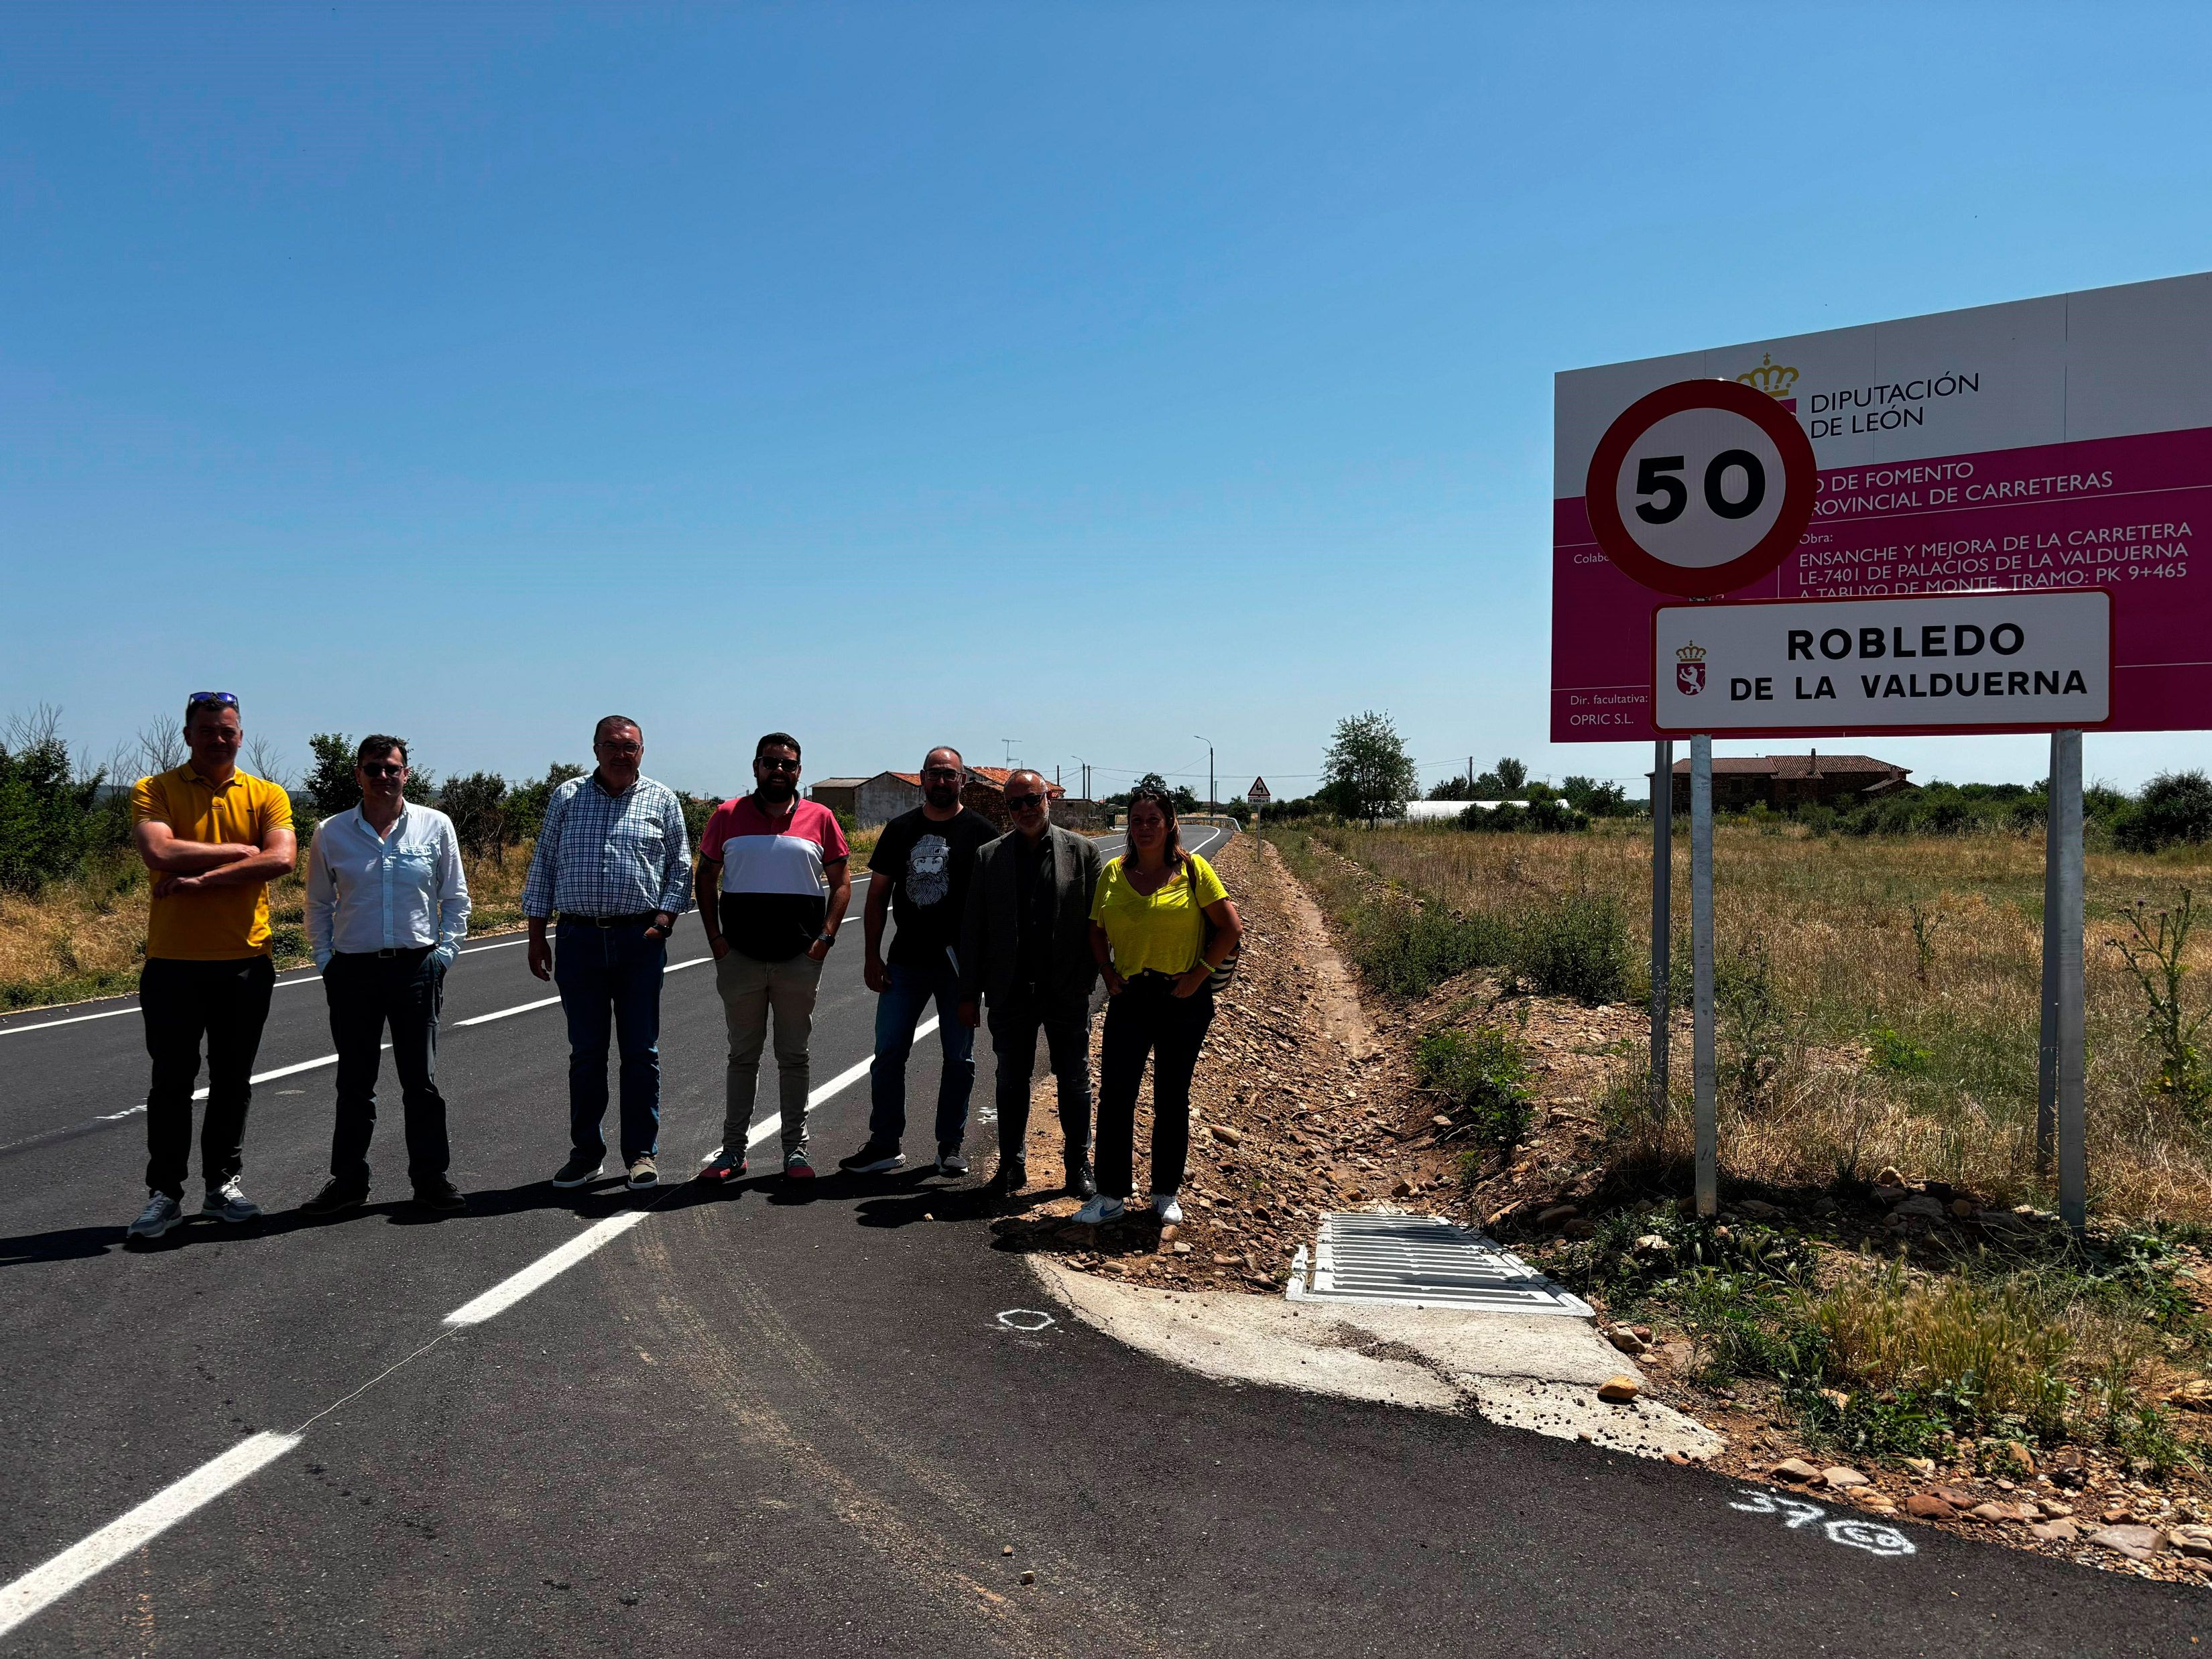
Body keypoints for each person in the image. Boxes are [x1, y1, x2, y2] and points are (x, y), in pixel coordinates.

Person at [125, 692, 299, 1240]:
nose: (218, 739)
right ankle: (165, 1194)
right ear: (188, 736)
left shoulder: (267, 794)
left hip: (245, 960)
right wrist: (241, 852)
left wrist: (202, 879)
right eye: (207, 730)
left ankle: (222, 1185)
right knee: (171, 1083)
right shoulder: (154, 789)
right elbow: (160, 852)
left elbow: (283, 857)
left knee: (232, 1081)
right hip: (173, 962)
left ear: (240, 736)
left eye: (227, 731)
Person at [300, 736, 471, 1216]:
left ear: (406, 774)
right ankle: (349, 1181)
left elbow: (455, 896)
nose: (382, 776)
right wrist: (326, 961)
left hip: (417, 967)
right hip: (352, 970)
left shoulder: (435, 825)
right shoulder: (331, 832)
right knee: (355, 1082)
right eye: (372, 768)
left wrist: (446, 953)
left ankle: (431, 1179)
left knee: (422, 1082)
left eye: (391, 768)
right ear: (358, 775)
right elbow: (317, 903)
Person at [522, 716, 692, 1191]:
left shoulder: (662, 799)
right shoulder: (567, 796)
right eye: (612, 746)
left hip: (640, 939)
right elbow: (544, 864)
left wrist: (664, 921)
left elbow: (680, 866)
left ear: (642, 751)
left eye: (630, 747)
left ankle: (641, 1154)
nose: (621, 754)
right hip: (578, 939)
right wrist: (536, 936)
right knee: (587, 1053)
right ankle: (586, 1154)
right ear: (595, 749)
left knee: (641, 1052)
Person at [1076, 786, 1242, 1226]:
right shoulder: (1113, 873)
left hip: (1181, 999)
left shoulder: (1193, 869)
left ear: (1170, 824)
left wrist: (1198, 975)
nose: (1145, 827)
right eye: (1137, 820)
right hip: (1130, 998)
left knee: (1172, 1096)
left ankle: (1164, 1192)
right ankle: (1110, 1195)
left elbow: (1230, 928)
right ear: (1128, 826)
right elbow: (1095, 929)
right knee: (1116, 1096)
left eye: (1154, 819)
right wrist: (1106, 972)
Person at [694, 733, 852, 1183]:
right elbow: (705, 878)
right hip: (740, 958)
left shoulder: (821, 817)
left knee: (794, 1057)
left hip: (798, 959)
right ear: (756, 767)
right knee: (743, 1056)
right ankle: (732, 1151)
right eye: (770, 762)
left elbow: (842, 883)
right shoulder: (727, 815)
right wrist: (716, 939)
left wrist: (825, 938)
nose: (779, 770)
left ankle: (795, 1152)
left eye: (788, 764)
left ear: (798, 771)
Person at [839, 747, 998, 1177]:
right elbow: (877, 896)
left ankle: (950, 1147)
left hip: (958, 967)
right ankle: (884, 1144)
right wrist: (871, 957)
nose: (941, 781)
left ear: (963, 780)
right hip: (905, 961)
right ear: (922, 778)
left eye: (950, 774)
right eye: (934, 774)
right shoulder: (900, 830)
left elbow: (993, 907)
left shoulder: (982, 833)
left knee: (959, 1059)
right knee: (888, 1054)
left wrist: (983, 969)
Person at [955, 768, 1104, 1199]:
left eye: (1031, 800)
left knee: (1073, 1079)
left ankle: (1078, 1166)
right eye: (1014, 804)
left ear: (1048, 799)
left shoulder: (1083, 852)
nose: (1024, 809)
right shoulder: (989, 857)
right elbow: (974, 930)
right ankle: (1011, 1166)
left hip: (1065, 989)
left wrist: (1086, 979)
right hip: (1010, 991)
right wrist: (969, 993)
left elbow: (1098, 923)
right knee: (1011, 1080)